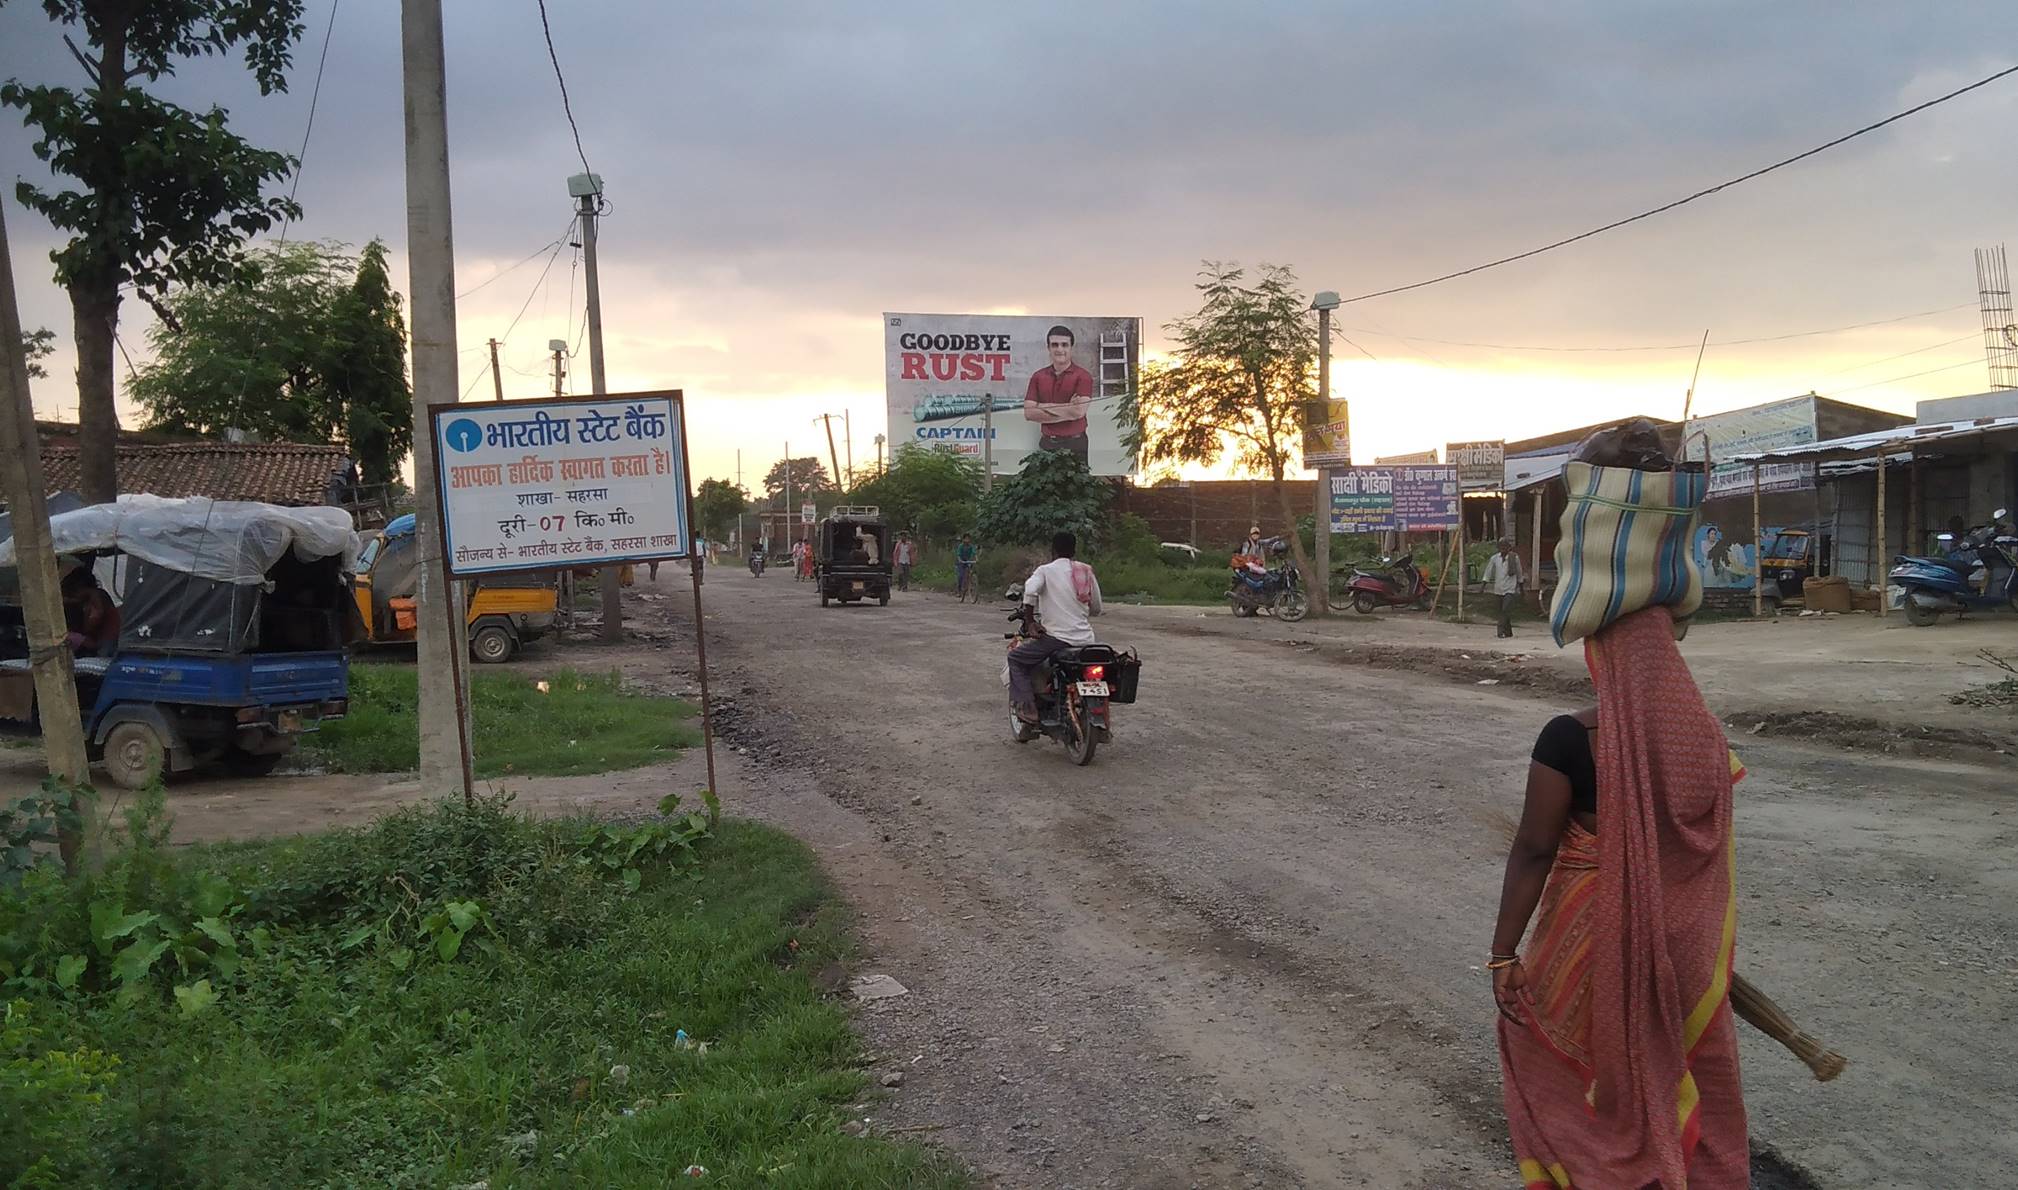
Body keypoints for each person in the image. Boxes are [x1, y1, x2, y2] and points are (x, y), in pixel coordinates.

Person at [1491, 607, 1749, 1189]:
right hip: (1685, 940)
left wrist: (1504, 954)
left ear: (1601, 656)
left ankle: (1602, 1168)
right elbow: (1701, 848)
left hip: (1598, 937)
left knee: (1542, 1041)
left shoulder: (1572, 736)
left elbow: (1535, 847)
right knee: (1686, 1059)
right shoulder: (1703, 738)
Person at [1008, 531, 1103, 724]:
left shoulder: (1045, 571)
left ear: (1053, 550)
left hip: (1057, 640)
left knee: (1016, 658)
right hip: (1086, 641)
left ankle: (1028, 708)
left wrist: (1030, 621)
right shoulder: (1086, 571)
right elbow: (1096, 608)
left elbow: (1031, 590)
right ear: (1074, 550)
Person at [1023, 324, 1094, 465]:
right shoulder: (1038, 376)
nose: (1059, 349)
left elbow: (1078, 412)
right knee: (1047, 487)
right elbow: (1029, 413)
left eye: (1064, 345)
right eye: (1055, 345)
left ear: (1071, 348)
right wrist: (1067, 407)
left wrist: (1042, 406)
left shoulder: (1083, 376)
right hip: (1047, 443)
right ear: (1048, 348)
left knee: (1076, 487)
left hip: (1076, 444)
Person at [60, 565, 119, 657]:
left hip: (108, 638)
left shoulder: (95, 594)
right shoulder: (91, 597)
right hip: (103, 638)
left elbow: (96, 616)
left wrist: (85, 632)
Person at [1482, 537, 1525, 638]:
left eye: (1505, 546)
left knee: (1505, 609)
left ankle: (1500, 631)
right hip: (1498, 589)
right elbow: (1488, 572)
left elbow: (1519, 573)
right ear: (1498, 547)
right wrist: (1483, 585)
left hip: (1510, 589)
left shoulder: (1514, 558)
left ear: (1509, 547)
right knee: (1501, 610)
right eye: (1501, 546)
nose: (1503, 548)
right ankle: (1508, 631)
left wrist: (1521, 588)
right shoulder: (1494, 558)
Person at [954, 533, 979, 598]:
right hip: (961, 562)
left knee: (970, 571)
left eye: (968, 538)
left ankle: (970, 583)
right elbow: (958, 554)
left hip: (968, 561)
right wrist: (960, 560)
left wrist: (976, 558)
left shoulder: (971, 546)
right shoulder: (961, 546)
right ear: (963, 539)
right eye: (966, 538)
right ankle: (959, 590)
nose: (967, 540)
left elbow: (974, 552)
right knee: (960, 576)